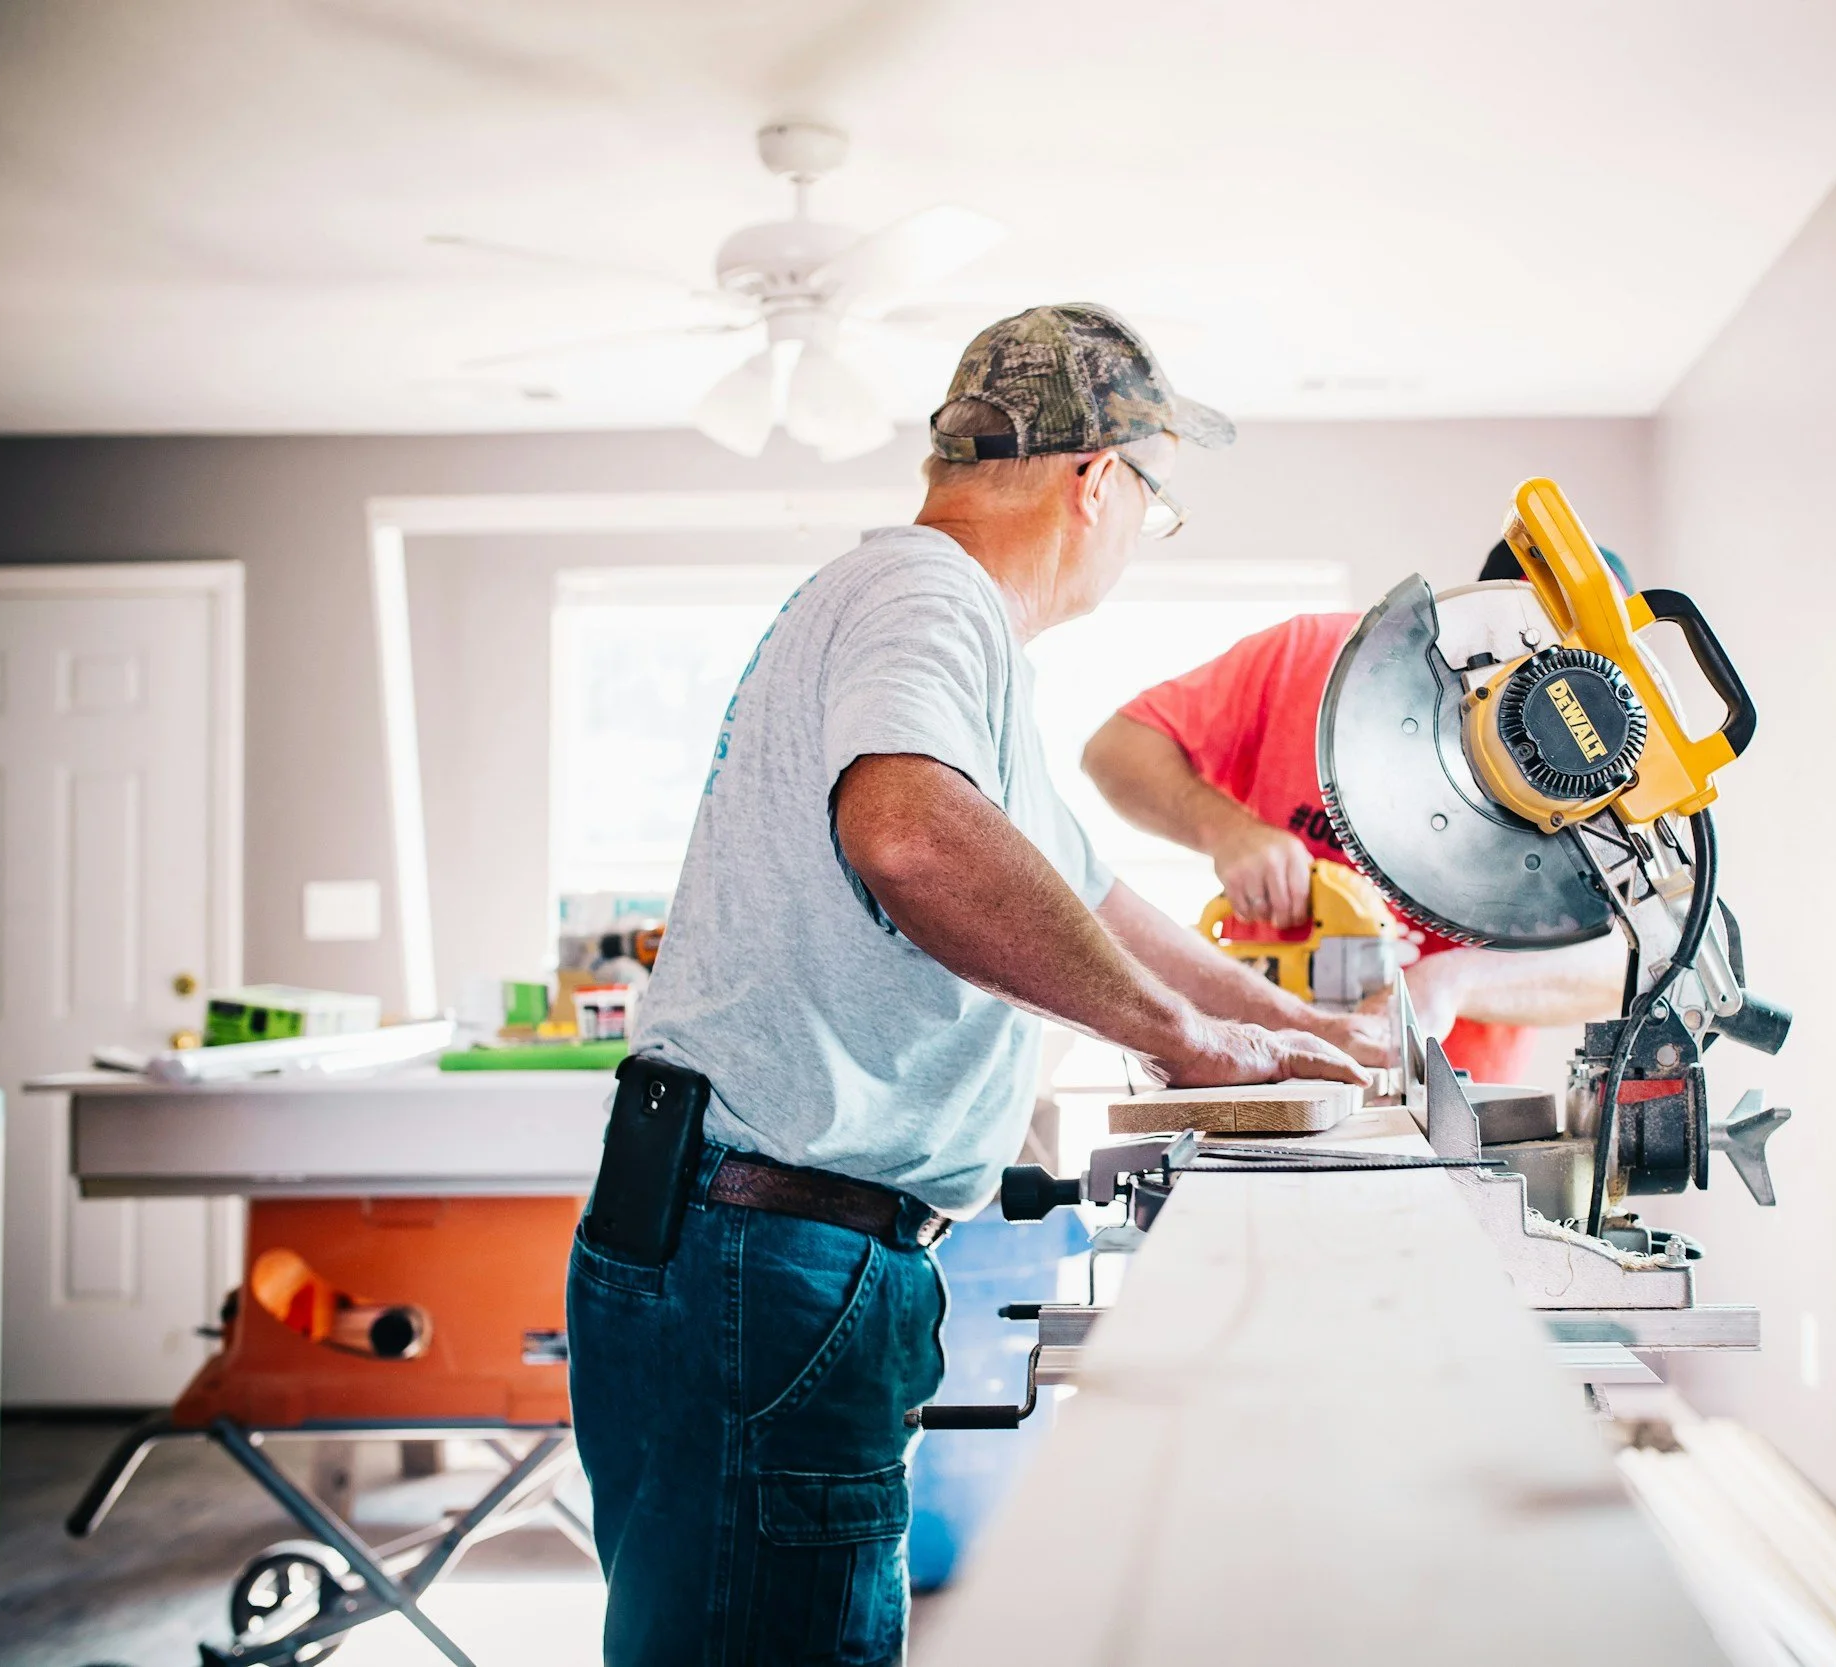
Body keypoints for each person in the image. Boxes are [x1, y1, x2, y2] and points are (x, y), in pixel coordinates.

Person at [566, 304, 1377, 1667]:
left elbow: (1086, 887)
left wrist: (1284, 1023)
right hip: (769, 1255)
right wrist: (1181, 1039)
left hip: (748, 1242)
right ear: (1098, 479)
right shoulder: (926, 596)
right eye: (1152, 503)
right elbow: (911, 832)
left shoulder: (931, 628)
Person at [1081, 541, 1637, 1085]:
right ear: (1472, 612)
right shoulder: (1311, 657)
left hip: (1452, 1103)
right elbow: (1116, 751)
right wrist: (1226, 829)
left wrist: (1455, 980)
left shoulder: (1602, 780)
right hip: (1258, 1068)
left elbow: (1630, 964)